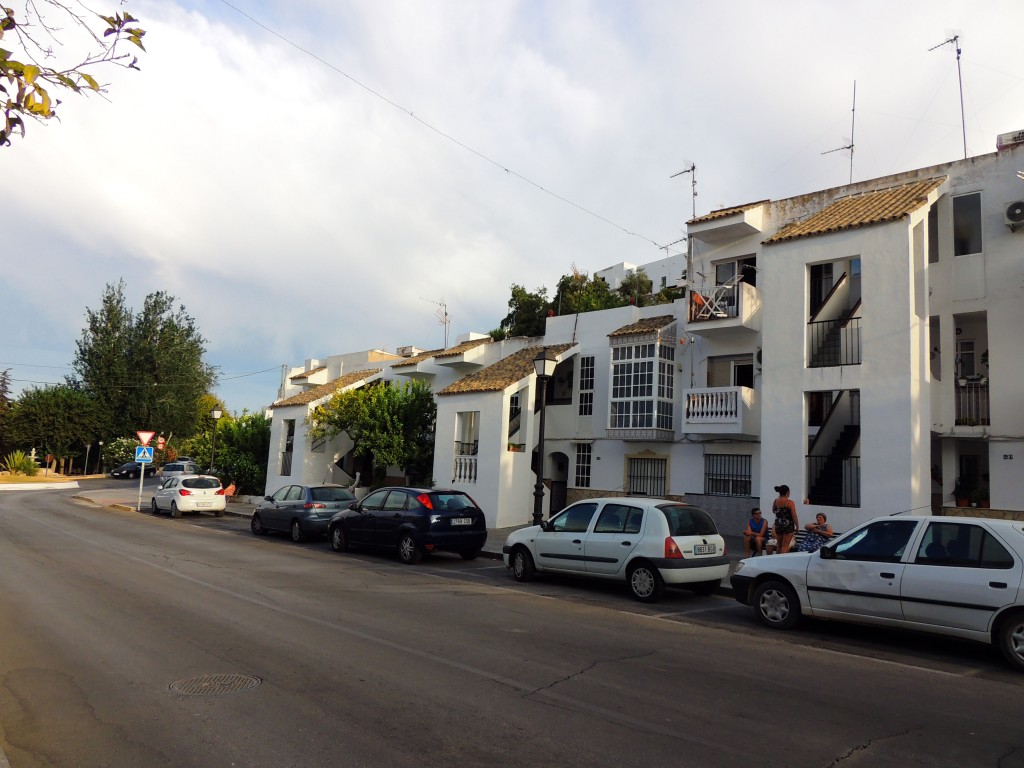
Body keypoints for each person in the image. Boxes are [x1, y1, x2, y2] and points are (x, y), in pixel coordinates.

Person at [771, 484, 798, 554]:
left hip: (778, 524)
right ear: (787, 492)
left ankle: (776, 561)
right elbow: (794, 515)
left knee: (779, 545)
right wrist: (797, 526)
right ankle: (781, 562)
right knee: (785, 546)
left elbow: (773, 511)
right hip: (788, 524)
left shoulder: (776, 501)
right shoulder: (790, 502)